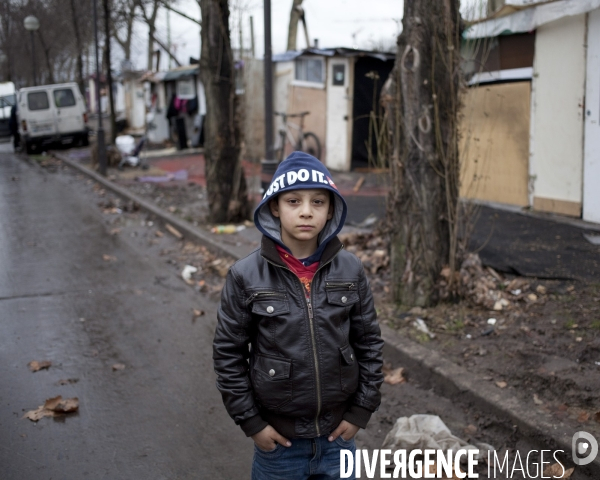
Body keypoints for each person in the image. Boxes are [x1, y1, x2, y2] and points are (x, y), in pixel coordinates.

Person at [213, 151, 384, 480]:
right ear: (274, 206)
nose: (306, 212)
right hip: (278, 448)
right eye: (293, 201)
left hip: (339, 442)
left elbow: (369, 343)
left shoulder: (350, 269)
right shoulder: (245, 275)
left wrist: (362, 410)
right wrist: (253, 424)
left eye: (318, 202)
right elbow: (228, 355)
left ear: (331, 207)